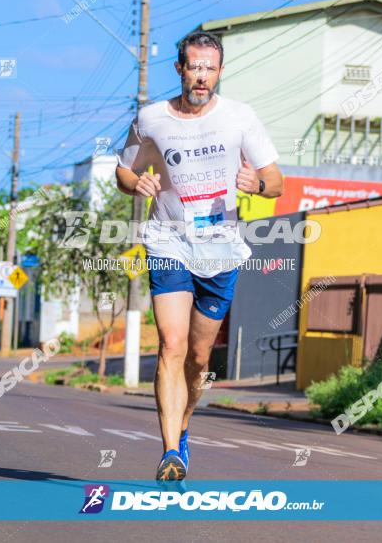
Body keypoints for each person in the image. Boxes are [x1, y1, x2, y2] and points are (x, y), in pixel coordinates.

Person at [115, 31, 283, 480]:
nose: (202, 76)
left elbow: (276, 180)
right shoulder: (150, 119)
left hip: (220, 247)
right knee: (170, 344)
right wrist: (138, 184)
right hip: (168, 239)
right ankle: (170, 451)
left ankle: (183, 428)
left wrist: (258, 185)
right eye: (194, 67)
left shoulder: (240, 118)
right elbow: (123, 172)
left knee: (198, 358)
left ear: (220, 71)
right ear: (180, 69)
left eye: (210, 68)